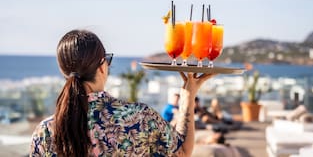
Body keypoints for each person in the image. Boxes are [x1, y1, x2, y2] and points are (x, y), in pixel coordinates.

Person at [29, 29, 216, 156]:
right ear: (102, 67)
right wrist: (188, 95)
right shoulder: (140, 117)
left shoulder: (45, 131)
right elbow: (182, 151)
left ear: (64, 72)